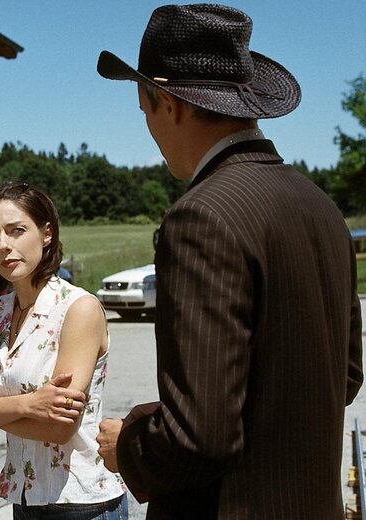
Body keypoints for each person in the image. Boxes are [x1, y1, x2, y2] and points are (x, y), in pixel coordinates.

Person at [94, 4, 362, 518]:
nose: (147, 125)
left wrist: (129, 445)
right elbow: (343, 377)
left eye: (144, 108)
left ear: (167, 102)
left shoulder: (201, 218)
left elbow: (201, 439)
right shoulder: (323, 207)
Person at [0, 181, 127, 519]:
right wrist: (29, 405)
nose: (3, 246)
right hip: (25, 501)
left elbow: (60, 428)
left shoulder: (78, 308)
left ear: (46, 233)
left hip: (81, 504)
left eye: (16, 231)